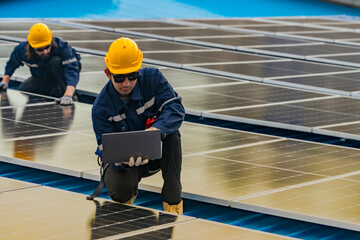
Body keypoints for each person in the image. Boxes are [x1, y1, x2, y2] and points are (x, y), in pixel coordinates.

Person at [91, 37, 185, 214]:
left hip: (157, 154)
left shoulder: (154, 80)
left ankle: (173, 204)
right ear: (108, 73)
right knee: (120, 190)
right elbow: (105, 148)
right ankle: (126, 205)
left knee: (173, 136)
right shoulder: (101, 109)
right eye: (119, 77)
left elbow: (175, 108)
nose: (126, 83)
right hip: (126, 164)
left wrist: (156, 132)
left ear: (139, 70)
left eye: (132, 75)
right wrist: (122, 162)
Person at [0, 23, 81, 105]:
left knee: (55, 61)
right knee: (24, 89)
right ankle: (53, 90)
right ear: (32, 47)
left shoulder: (62, 46)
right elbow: (12, 64)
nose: (45, 51)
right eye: (40, 50)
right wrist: (5, 82)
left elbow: (71, 70)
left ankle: (68, 95)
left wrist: (68, 95)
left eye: (47, 47)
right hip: (43, 75)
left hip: (61, 73)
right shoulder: (21, 50)